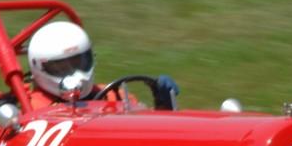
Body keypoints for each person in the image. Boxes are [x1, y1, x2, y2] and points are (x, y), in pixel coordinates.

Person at [25, 21, 179, 109]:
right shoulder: (29, 107)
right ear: (39, 68)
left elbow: (143, 128)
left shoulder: (114, 95)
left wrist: (163, 105)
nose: (75, 74)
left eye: (79, 62)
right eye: (62, 67)